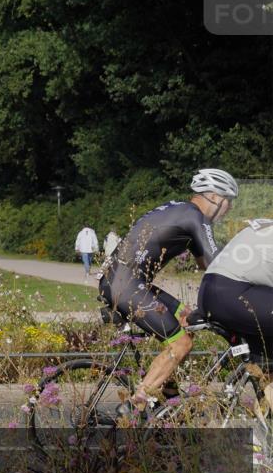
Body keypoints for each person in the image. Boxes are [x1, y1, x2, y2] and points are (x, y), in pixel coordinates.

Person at [99, 168, 238, 415]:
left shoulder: (182, 211)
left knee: (185, 317)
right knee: (181, 342)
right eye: (228, 202)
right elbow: (219, 266)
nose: (229, 209)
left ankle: (167, 400)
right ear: (215, 198)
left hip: (126, 281)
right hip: (125, 285)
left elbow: (206, 265)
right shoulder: (196, 218)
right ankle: (137, 403)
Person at [196, 218, 273, 359]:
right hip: (234, 293)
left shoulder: (266, 226)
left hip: (210, 292)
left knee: (265, 361)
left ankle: (260, 372)